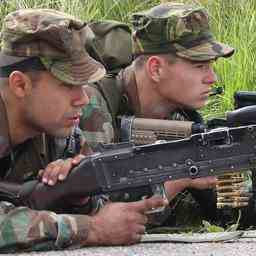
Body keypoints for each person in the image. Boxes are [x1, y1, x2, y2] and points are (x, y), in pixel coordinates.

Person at [0, 9, 167, 252]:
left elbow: (99, 207)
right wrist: (91, 228)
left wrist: (78, 197)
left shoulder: (61, 134)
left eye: (84, 85)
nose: (83, 99)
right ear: (20, 84)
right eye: (68, 85)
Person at [79, 2, 235, 228]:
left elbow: (214, 215)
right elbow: (100, 214)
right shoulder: (91, 106)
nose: (212, 78)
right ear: (156, 69)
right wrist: (182, 177)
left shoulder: (181, 118)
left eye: (211, 66)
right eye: (200, 66)